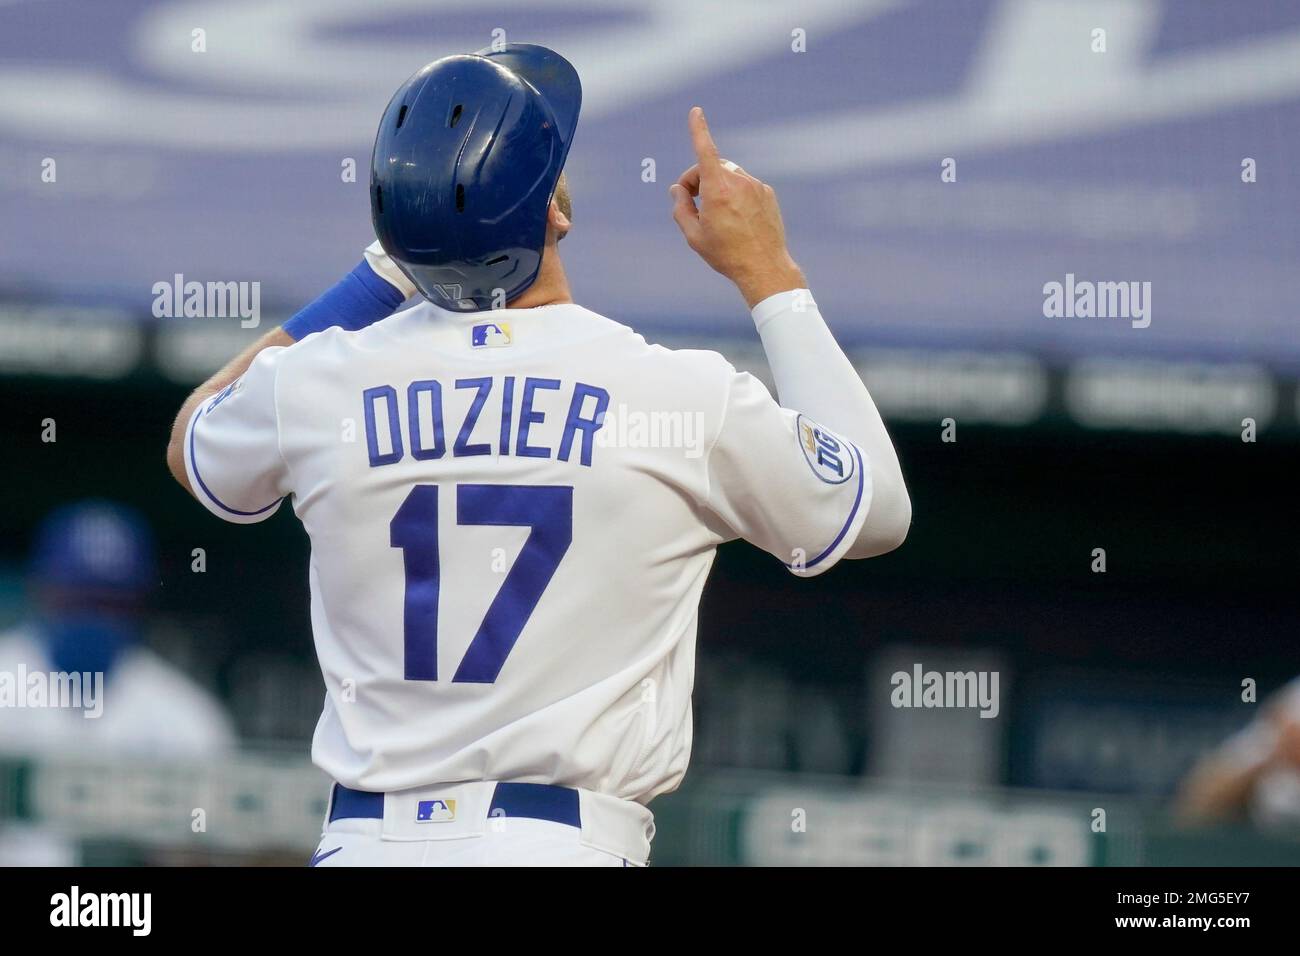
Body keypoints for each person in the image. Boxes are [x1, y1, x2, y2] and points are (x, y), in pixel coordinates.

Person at [165, 44, 910, 867]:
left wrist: (384, 277)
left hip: (364, 843)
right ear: (552, 215)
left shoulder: (315, 382)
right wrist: (768, 272)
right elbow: (873, 509)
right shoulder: (671, 392)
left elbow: (196, 434)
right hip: (558, 843)